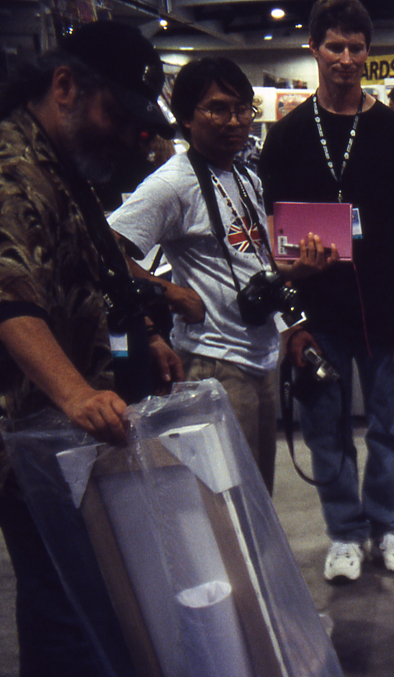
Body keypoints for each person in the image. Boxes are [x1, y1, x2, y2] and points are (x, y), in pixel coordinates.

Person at [0, 20, 183, 676]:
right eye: (117, 114)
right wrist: (76, 393)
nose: (128, 135)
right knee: (62, 605)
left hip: (69, 434)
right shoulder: (12, 168)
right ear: (64, 86)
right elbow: (9, 295)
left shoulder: (63, 166)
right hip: (31, 435)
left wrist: (146, 334)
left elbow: (95, 265)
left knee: (92, 591)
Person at [257, 0, 394, 582]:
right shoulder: (285, 137)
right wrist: (291, 314)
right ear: (314, 49)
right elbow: (271, 239)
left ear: (369, 54)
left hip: (386, 311)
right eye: (335, 46)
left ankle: (390, 524)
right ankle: (345, 534)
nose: (346, 58)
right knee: (324, 431)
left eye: (357, 48)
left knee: (392, 428)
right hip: (318, 314)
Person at [109, 57, 333, 494]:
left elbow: (256, 264)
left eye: (242, 109)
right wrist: (169, 292)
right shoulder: (172, 183)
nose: (234, 121)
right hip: (213, 363)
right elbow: (105, 251)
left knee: (258, 495)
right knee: (226, 500)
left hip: (259, 358)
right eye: (217, 109)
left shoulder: (244, 177)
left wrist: (295, 296)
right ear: (186, 117)